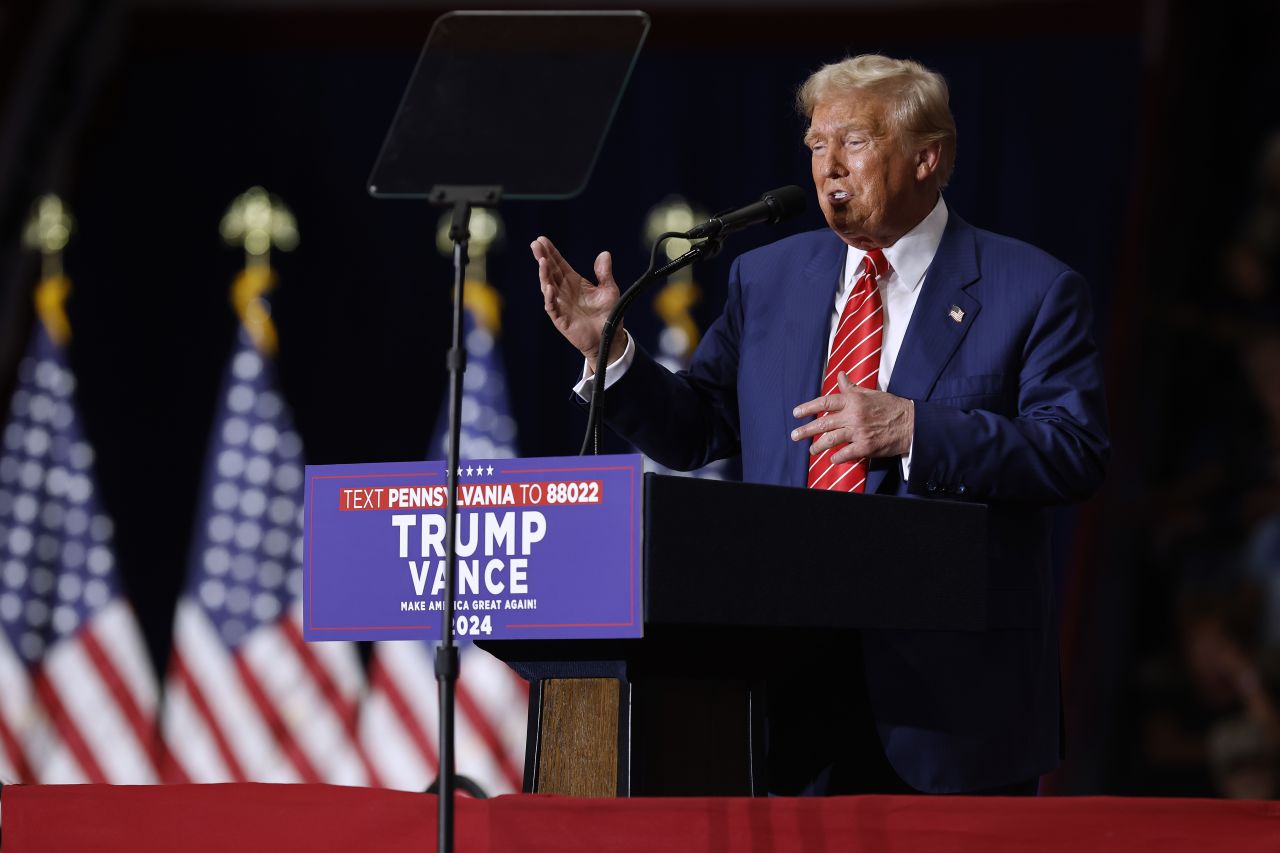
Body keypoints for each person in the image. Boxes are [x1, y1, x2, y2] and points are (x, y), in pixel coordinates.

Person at [531, 54, 1109, 795]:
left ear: (928, 157)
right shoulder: (768, 278)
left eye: (856, 142)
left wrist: (915, 431)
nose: (829, 166)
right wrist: (612, 353)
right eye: (815, 145)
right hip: (784, 696)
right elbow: (698, 428)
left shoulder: (1031, 289)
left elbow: (1075, 450)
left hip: (948, 711)